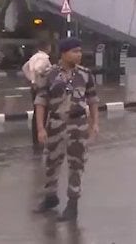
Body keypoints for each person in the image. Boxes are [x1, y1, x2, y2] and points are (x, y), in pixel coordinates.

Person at [33, 38, 100, 221]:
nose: (79, 55)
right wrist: (40, 128)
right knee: (51, 162)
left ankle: (72, 205)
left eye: (80, 51)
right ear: (63, 53)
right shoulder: (49, 74)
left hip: (78, 125)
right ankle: (50, 197)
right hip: (55, 124)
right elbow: (40, 102)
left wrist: (95, 124)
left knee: (76, 165)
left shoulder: (86, 74)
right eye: (75, 51)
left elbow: (93, 100)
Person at [22, 39, 52, 150]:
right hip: (41, 88)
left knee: (36, 113)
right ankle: (40, 136)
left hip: (34, 89)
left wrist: (30, 79)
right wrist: (37, 79)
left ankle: (36, 138)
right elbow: (38, 68)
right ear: (47, 47)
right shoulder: (44, 58)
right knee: (42, 113)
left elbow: (25, 68)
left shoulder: (34, 57)